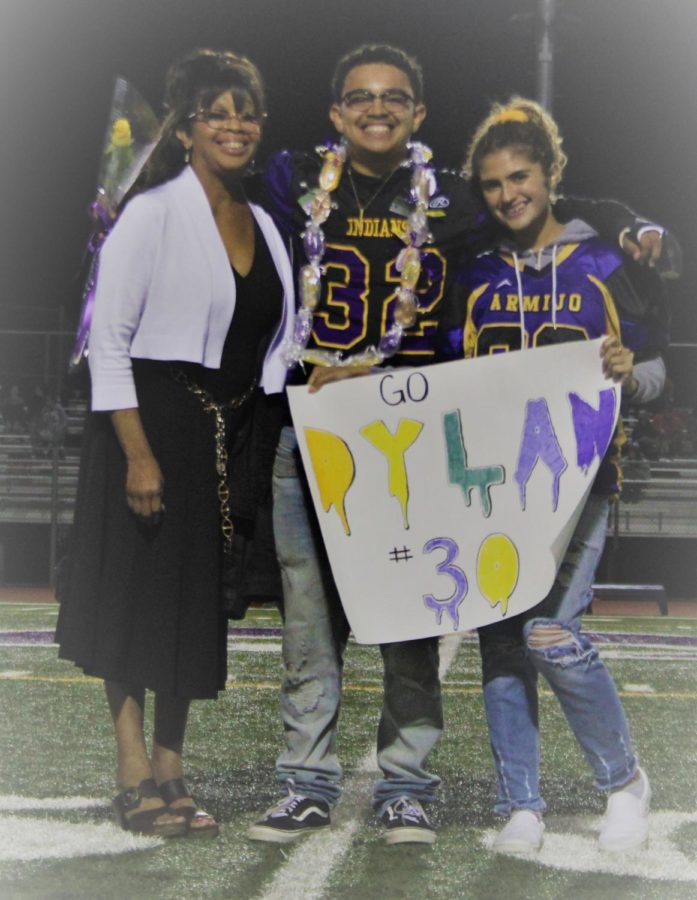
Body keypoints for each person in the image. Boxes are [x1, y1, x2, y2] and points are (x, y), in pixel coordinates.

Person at [247, 44, 667, 846]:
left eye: (394, 97)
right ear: (336, 111)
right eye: (360, 97)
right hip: (315, 425)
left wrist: (628, 222)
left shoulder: (454, 205)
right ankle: (311, 782)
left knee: (414, 609)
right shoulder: (293, 177)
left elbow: (545, 197)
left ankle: (408, 786)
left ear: (417, 113)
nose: (377, 108)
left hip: (420, 434)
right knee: (311, 619)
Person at [56, 49, 295, 838]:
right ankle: (132, 769)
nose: (233, 123)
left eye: (245, 111)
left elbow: (281, 349)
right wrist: (140, 453)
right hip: (148, 429)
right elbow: (110, 343)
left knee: (193, 611)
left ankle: (173, 768)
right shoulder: (150, 211)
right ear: (185, 127)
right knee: (135, 602)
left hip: (223, 437)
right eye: (214, 111)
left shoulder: (264, 222)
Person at [438, 97, 666, 854]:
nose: (509, 193)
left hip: (582, 483)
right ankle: (520, 807)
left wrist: (633, 374)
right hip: (497, 488)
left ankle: (624, 781)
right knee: (501, 641)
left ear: (550, 172)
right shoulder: (471, 269)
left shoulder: (605, 257)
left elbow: (662, 367)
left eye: (521, 176)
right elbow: (444, 376)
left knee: (546, 631)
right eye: (495, 183)